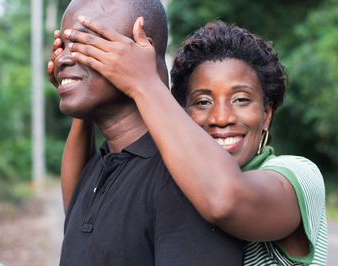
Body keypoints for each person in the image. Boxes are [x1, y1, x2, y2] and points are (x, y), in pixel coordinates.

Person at [48, 15, 328, 265]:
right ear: (181, 111)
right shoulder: (185, 176)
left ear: (266, 114)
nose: (221, 117)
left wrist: (143, 82)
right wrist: (82, 92)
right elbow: (77, 206)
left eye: (241, 99)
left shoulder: (297, 176)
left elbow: (226, 200)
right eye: (203, 102)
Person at [50, 0, 244, 265]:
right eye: (63, 45)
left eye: (85, 44)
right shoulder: (100, 164)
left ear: (141, 51)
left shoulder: (185, 179)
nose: (60, 59)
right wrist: (78, 85)